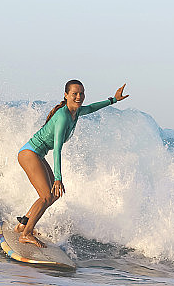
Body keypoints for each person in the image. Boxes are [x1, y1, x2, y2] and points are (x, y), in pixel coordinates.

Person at [15, 79, 129, 247]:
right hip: (29, 153)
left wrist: (113, 99)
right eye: (74, 93)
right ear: (66, 95)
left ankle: (24, 224)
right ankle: (25, 234)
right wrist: (58, 178)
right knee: (46, 195)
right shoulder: (62, 116)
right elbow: (58, 148)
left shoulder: (74, 112)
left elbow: (91, 108)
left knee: (53, 195)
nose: (78, 96)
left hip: (37, 154)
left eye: (81, 93)